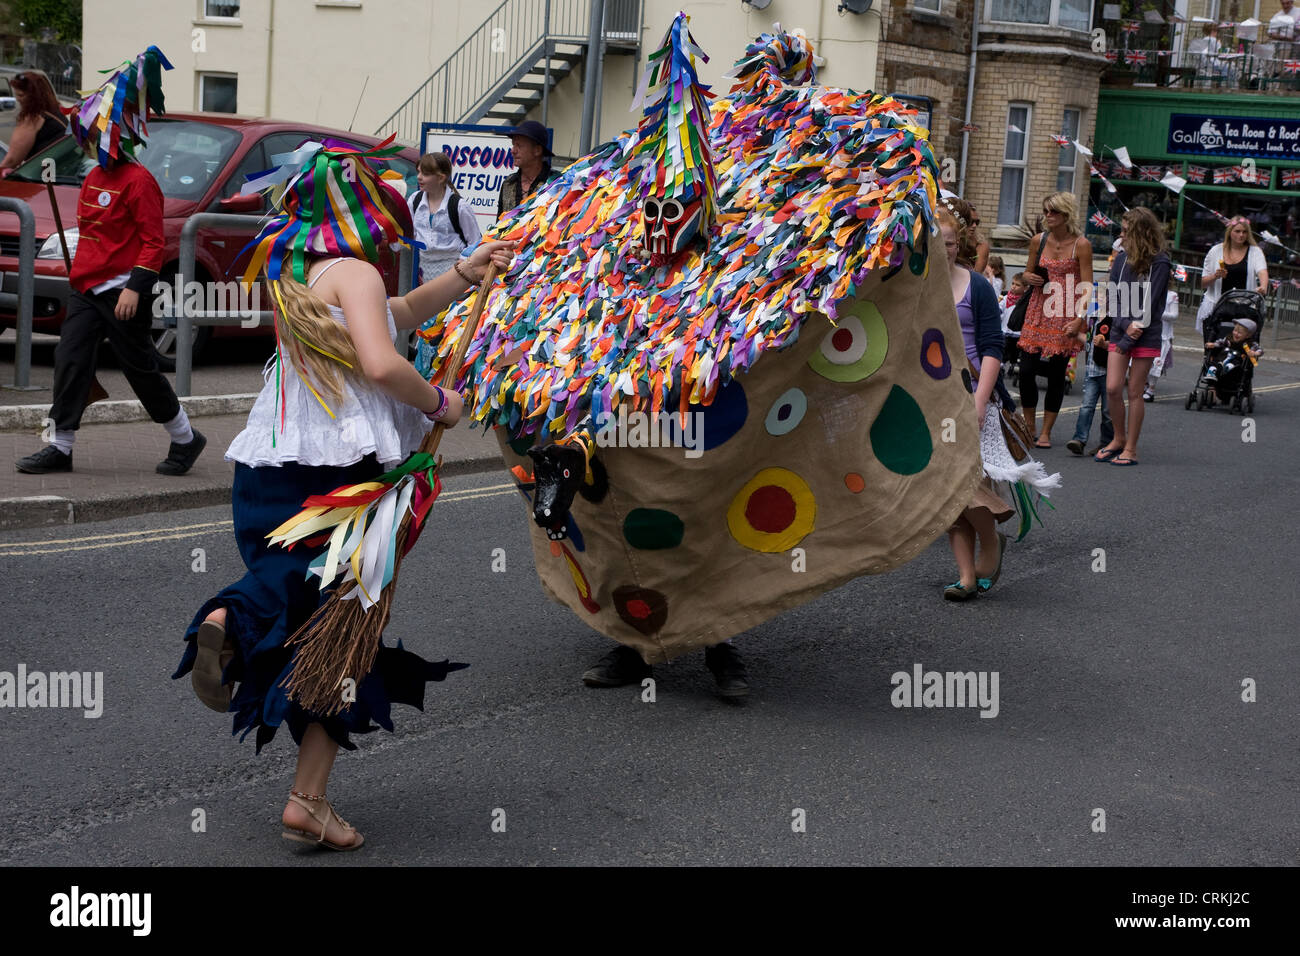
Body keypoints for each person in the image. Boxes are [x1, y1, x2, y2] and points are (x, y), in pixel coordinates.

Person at [173, 139, 515, 851]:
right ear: (366, 206)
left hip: (271, 466)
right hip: (342, 476)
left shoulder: (298, 270)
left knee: (311, 606)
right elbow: (381, 358)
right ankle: (306, 793)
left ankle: (228, 621)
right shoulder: (355, 272)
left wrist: (465, 273)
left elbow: (402, 312)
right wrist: (439, 402)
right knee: (344, 626)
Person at [15, 49, 205, 477]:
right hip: (87, 288)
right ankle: (59, 446)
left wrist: (134, 289)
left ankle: (185, 438)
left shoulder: (140, 182)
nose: (86, 142)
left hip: (124, 292)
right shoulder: (93, 177)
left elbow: (153, 243)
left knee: (140, 370)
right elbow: (94, 235)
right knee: (70, 359)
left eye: (93, 135)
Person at [937, 199, 1013, 601]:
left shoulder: (978, 286)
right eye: (936, 242)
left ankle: (991, 539)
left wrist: (981, 400)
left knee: (968, 486)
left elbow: (992, 346)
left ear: (959, 243)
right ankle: (965, 576)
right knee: (946, 492)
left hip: (971, 397)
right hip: (931, 403)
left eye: (949, 243)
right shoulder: (916, 288)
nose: (944, 249)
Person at [1095, 207, 1171, 467]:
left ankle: (1131, 448)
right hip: (1121, 328)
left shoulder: (1159, 261)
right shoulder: (1121, 258)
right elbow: (1112, 296)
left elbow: (1150, 303)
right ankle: (1118, 438)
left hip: (1146, 333)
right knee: (1113, 387)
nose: (1121, 235)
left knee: (1135, 391)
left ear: (1139, 232)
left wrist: (1132, 333)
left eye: (1126, 230)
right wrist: (1124, 326)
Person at [1017, 191, 1092, 449]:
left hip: (1065, 313)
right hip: (1038, 308)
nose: (1048, 216)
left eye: (1053, 212)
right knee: (1026, 371)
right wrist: (1028, 278)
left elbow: (1087, 286)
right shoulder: (1038, 240)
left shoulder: (1081, 245)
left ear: (1066, 215)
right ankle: (1029, 425)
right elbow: (1026, 272)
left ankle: (1046, 431)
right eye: (1046, 210)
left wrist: (1079, 320)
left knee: (1057, 374)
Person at [409, 151, 482, 377]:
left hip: (451, 272)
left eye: (426, 173)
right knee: (424, 324)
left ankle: (440, 377)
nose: (419, 177)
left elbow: (475, 242)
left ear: (441, 177)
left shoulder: (458, 206)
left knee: (443, 326)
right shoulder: (414, 201)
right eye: (419, 172)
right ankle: (423, 377)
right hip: (423, 271)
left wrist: (462, 270)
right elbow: (407, 233)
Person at [1196, 217, 1269, 334]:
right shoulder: (1215, 251)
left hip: (1244, 308)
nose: (1241, 235)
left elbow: (1262, 271)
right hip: (1217, 307)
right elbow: (1203, 283)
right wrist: (1215, 276)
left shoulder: (1255, 252)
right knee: (1213, 346)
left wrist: (1263, 286)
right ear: (1230, 232)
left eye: (1244, 232)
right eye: (1237, 231)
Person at [1065, 302, 1114, 456]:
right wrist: (1074, 334)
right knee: (1086, 406)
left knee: (1108, 411)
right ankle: (1079, 440)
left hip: (1109, 371)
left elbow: (1121, 343)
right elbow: (1088, 339)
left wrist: (1105, 344)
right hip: (1092, 371)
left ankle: (1107, 443)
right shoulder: (1093, 319)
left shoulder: (1116, 319)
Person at [0, 70, 67, 175]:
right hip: (65, 173)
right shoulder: (55, 113)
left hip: (45, 178)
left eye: (21, 95)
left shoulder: (34, 118)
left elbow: (12, 160)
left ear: (34, 96)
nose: (18, 99)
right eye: (16, 95)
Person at [496, 120, 559, 221]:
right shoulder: (508, 183)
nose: (513, 151)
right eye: (513, 145)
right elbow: (498, 225)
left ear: (537, 150)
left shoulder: (556, 183)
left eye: (519, 146)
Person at [1143, 290, 1180, 402]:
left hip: (1163, 335)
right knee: (1143, 361)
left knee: (1156, 363)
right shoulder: (1148, 291)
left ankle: (1151, 390)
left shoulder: (1172, 295)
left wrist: (1157, 312)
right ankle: (1144, 385)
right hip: (1147, 331)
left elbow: (1174, 315)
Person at [1204, 318, 1263, 386]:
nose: (1236, 334)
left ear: (1248, 335)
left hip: (1236, 362)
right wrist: (1214, 344)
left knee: (1235, 363)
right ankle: (1212, 372)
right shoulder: (1229, 338)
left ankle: (1225, 371)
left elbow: (1260, 350)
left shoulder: (1250, 343)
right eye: (1235, 330)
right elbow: (1221, 342)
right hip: (1222, 358)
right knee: (1215, 362)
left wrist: (1254, 353)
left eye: (1239, 333)